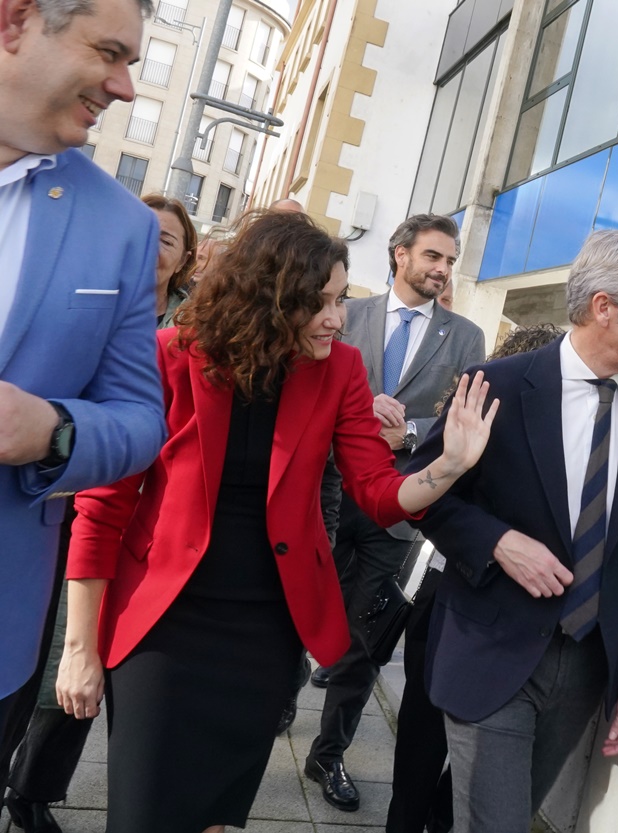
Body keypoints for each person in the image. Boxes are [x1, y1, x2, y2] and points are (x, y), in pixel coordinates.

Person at [55, 211, 499, 833]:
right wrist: (79, 650)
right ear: (269, 294)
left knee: (216, 816)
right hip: (164, 624)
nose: (337, 319)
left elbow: (375, 491)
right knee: (144, 812)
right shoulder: (168, 358)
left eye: (341, 300)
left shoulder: (339, 370)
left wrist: (448, 465)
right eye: (319, 303)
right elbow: (103, 508)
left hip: (265, 632)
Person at [408, 229, 618, 832]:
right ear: (603, 308)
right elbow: (416, 494)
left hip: (585, 671)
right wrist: (497, 543)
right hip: (494, 654)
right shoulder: (497, 385)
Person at [2, 194, 194, 833]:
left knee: (88, 656)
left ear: (186, 254)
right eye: (143, 234)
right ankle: (18, 780)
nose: (152, 247)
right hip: (55, 499)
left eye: (167, 238)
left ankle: (36, 788)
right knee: (43, 653)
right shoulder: (86, 300)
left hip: (128, 518)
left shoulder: (195, 329)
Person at [0, 0, 165, 737]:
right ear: (14, 21)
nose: (124, 86)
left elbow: (139, 421)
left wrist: (52, 429)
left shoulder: (122, 226)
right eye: (109, 52)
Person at [306, 213, 485, 813]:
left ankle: (329, 754)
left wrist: (407, 430)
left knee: (363, 637)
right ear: (399, 255)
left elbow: (463, 418)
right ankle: (277, 703)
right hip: (325, 494)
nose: (442, 269)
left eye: (450, 260)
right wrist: (354, 416)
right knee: (296, 611)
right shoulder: (343, 314)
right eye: (433, 256)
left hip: (400, 507)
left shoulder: (464, 337)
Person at [386, 322, 565, 833]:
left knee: (435, 752)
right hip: (449, 595)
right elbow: (427, 492)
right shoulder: (486, 412)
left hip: (488, 612)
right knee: (424, 744)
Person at [142, 194, 196, 328]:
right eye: (141, 234)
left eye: (166, 242)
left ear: (183, 260)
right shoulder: (88, 305)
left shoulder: (194, 324)